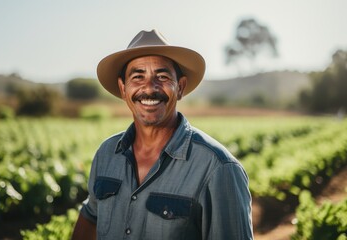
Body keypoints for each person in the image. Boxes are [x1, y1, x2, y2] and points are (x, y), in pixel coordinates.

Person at [72, 29, 253, 240]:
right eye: (138, 77)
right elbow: (91, 216)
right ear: (123, 89)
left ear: (180, 87)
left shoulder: (218, 168)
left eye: (162, 76)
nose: (149, 88)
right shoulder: (106, 154)